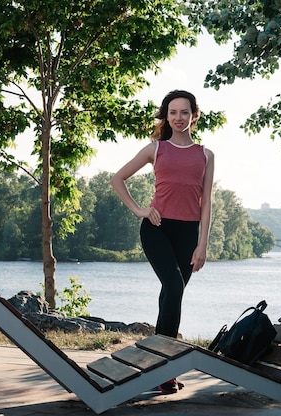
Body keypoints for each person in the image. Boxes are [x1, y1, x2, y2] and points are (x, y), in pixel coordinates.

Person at [111, 90, 214, 394]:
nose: (178, 118)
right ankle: (163, 369)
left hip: (188, 234)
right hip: (156, 228)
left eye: (184, 112)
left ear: (194, 115)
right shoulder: (155, 149)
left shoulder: (206, 155)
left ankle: (157, 366)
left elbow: (206, 202)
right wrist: (140, 210)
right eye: (172, 112)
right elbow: (118, 179)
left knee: (170, 293)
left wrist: (202, 244)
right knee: (174, 286)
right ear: (166, 116)